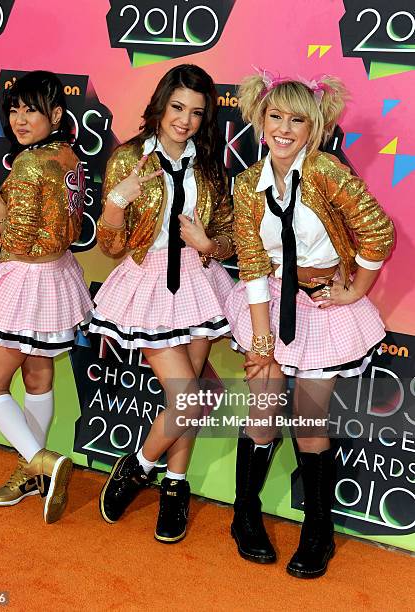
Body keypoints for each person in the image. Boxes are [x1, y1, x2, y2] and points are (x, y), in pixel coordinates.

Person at [225, 71, 394, 577]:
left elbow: (378, 231)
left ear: (314, 126)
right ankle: (245, 516)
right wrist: (261, 339)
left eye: (297, 119)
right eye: (275, 116)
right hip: (270, 300)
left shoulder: (326, 172)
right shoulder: (245, 185)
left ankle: (318, 532)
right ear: (259, 118)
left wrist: (357, 288)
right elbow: (252, 262)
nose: (284, 129)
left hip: (322, 307)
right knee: (262, 415)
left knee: (307, 422)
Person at [90, 64, 235, 543]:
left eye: (196, 112)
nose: (184, 120)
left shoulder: (210, 164)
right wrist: (117, 200)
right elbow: (110, 247)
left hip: (197, 281)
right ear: (161, 104)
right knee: (190, 397)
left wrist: (208, 243)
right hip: (148, 283)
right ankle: (140, 468)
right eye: (177, 108)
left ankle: (171, 483)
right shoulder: (130, 157)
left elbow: (230, 236)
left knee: (190, 396)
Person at [0, 71, 93, 524]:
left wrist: (0, 215)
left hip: (24, 279)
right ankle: (33, 473)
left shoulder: (29, 164)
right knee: (38, 381)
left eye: (31, 109)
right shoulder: (68, 156)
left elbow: (17, 240)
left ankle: (40, 459)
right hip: (57, 275)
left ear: (56, 114)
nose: (20, 119)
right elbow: (72, 228)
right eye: (14, 109)